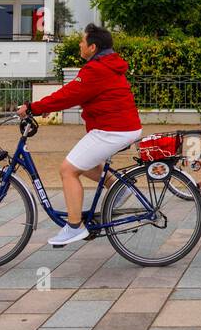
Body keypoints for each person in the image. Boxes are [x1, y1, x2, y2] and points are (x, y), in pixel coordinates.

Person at [18, 24, 141, 245]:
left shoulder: (96, 70)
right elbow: (78, 96)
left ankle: (75, 226)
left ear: (92, 47)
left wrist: (33, 107)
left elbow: (68, 95)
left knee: (68, 170)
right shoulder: (106, 66)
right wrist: (45, 108)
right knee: (84, 163)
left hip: (112, 129)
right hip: (118, 127)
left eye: (82, 41)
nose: (79, 44)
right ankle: (117, 187)